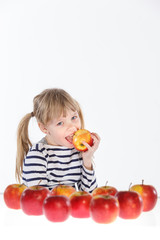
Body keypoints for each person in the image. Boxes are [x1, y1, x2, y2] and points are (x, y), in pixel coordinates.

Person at [16, 88, 100, 193]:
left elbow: (90, 195)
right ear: (44, 128)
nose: (72, 127)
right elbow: (38, 199)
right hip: (51, 208)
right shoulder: (38, 155)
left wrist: (87, 160)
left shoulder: (77, 152)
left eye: (74, 117)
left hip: (68, 208)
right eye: (60, 123)